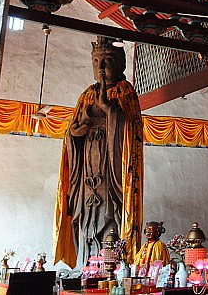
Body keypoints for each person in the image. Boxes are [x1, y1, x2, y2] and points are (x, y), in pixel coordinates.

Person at [53, 36, 144, 269]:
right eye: (97, 61)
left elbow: (130, 134)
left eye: (108, 60)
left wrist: (109, 110)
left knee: (109, 220)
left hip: (111, 173)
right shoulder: (85, 96)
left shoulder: (125, 93)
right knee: (85, 221)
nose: (101, 67)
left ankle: (110, 269)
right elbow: (70, 135)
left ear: (121, 63)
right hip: (85, 173)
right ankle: (86, 266)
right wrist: (75, 133)